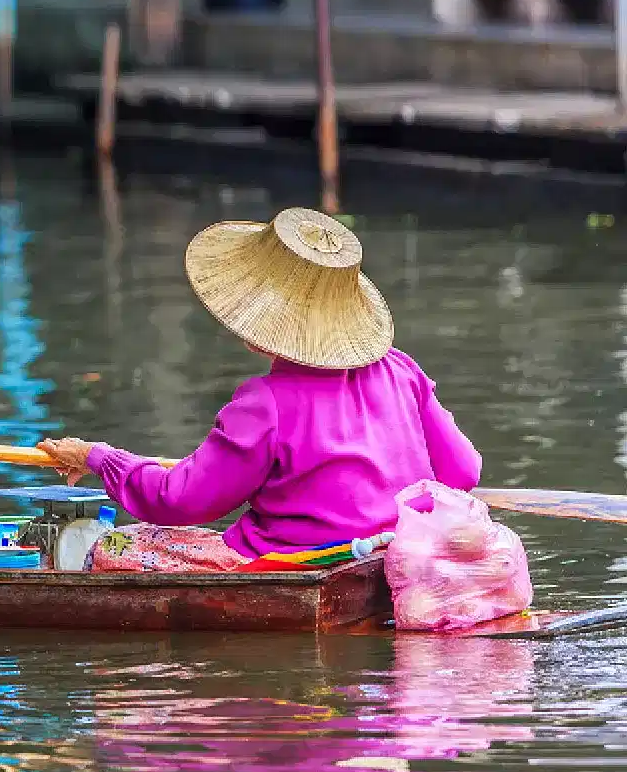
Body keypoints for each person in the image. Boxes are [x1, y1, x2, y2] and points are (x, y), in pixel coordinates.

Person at [37, 208, 482, 572]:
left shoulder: (264, 403)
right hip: (395, 557)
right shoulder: (401, 370)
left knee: (116, 547)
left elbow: (181, 499)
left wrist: (101, 459)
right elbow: (463, 471)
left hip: (298, 565)